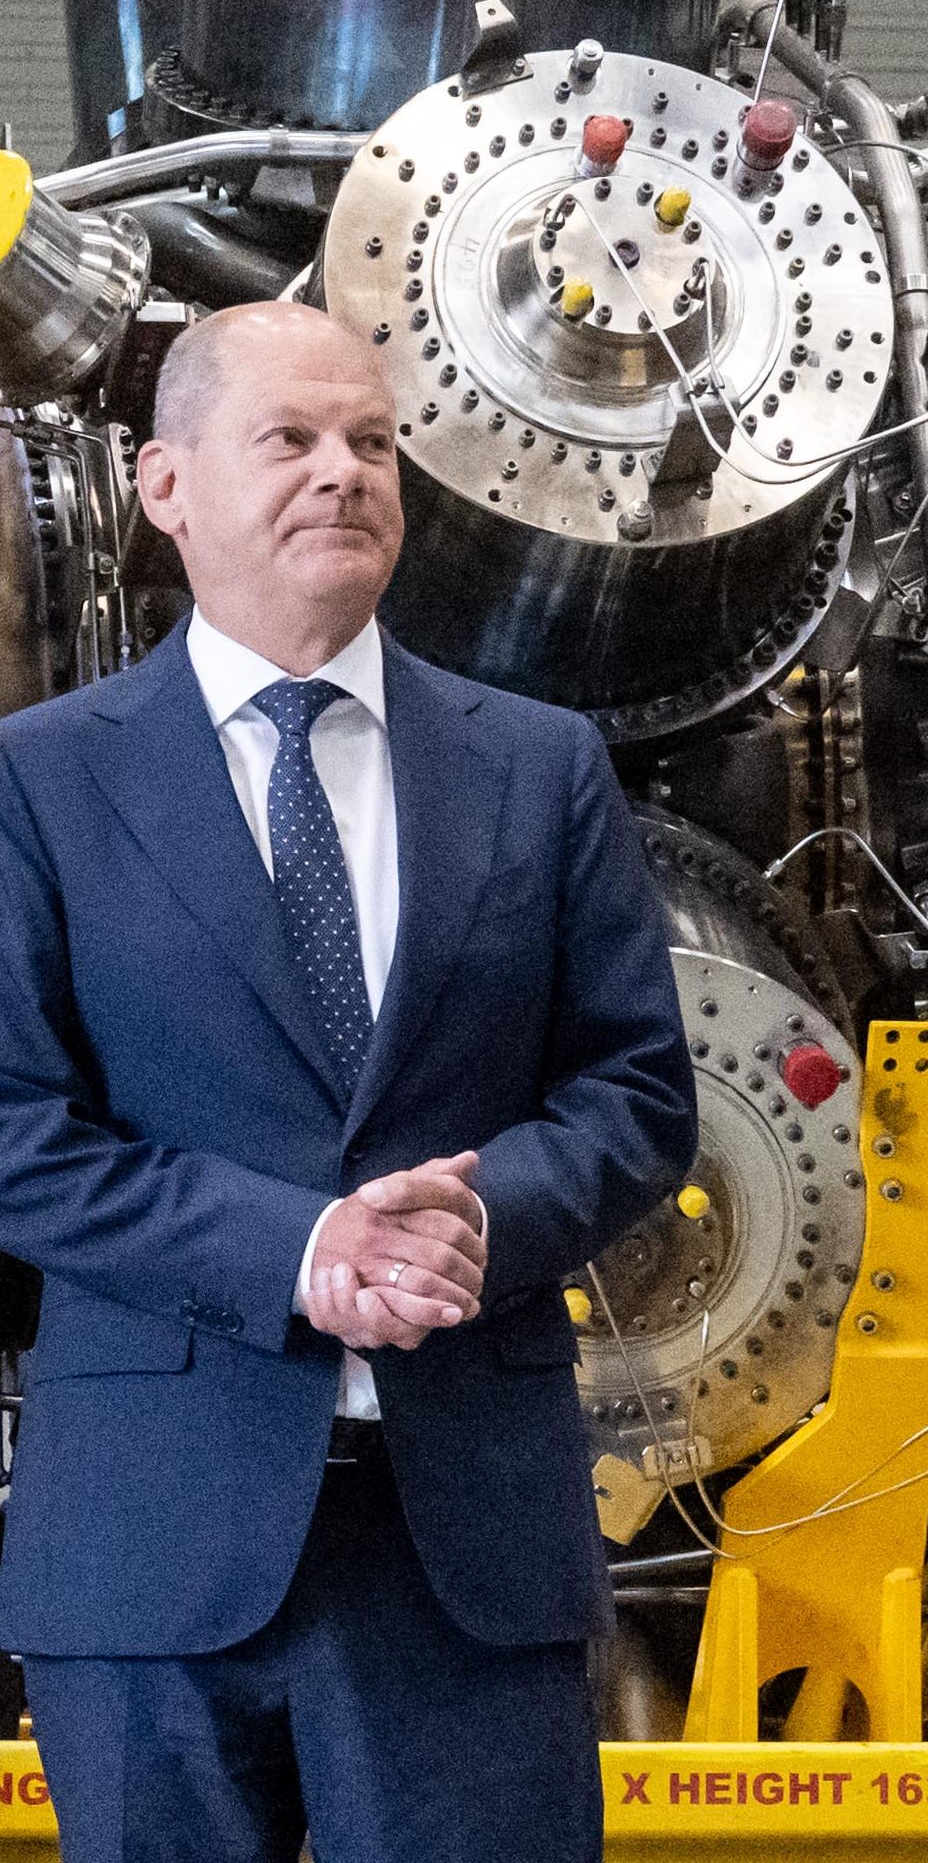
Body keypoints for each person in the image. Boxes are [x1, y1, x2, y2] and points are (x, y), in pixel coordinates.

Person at [0, 299, 697, 1860]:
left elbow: (639, 1095)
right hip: (154, 1545)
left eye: (373, 442)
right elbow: (10, 1134)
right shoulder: (40, 780)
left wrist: (473, 1221)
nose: (344, 473)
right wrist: (299, 1253)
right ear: (163, 484)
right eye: (291, 440)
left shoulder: (537, 765)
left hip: (460, 1544)